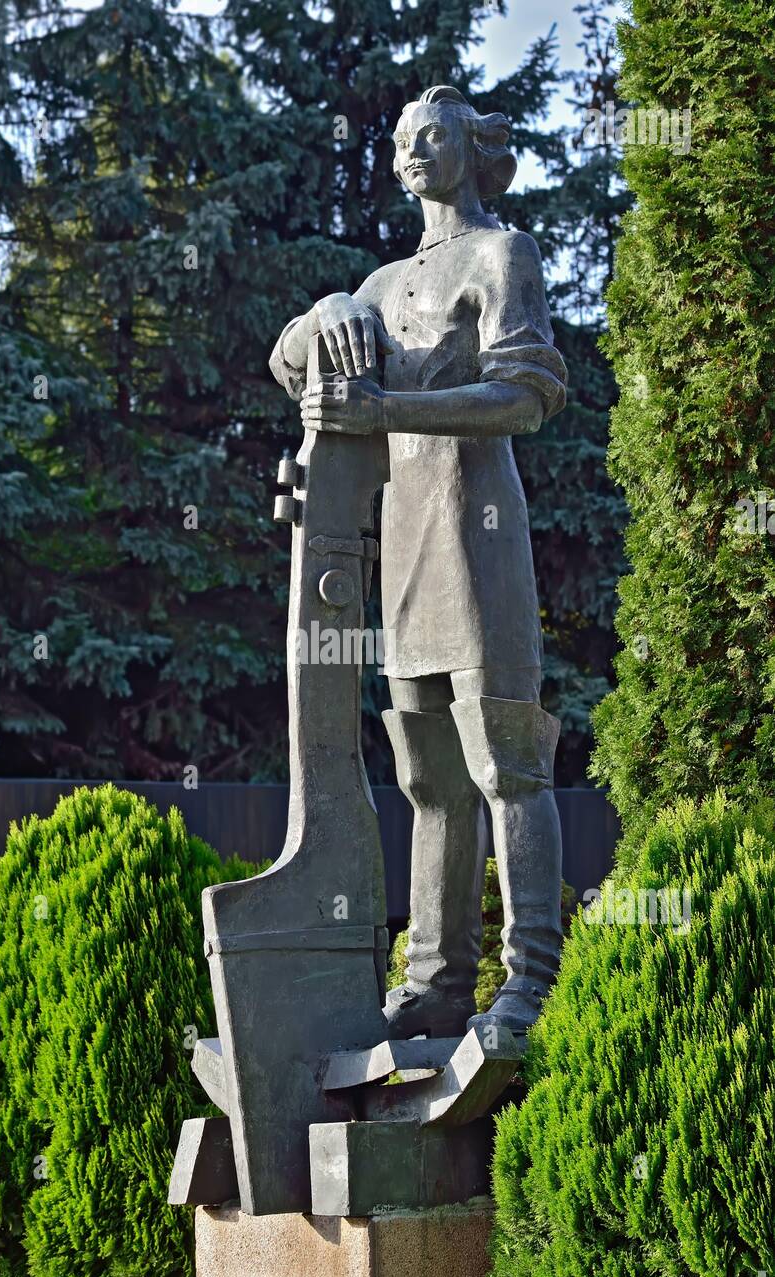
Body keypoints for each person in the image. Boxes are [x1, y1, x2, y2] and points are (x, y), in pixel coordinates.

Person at [269, 86, 567, 1039]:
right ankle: (437, 983)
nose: (409, 154)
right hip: (402, 547)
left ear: (474, 149)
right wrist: (323, 312)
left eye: (429, 137)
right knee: (430, 779)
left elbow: (524, 396)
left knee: (506, 762)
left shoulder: (500, 254)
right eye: (399, 142)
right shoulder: (381, 285)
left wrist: (386, 412)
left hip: (478, 538)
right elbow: (287, 360)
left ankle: (531, 982)